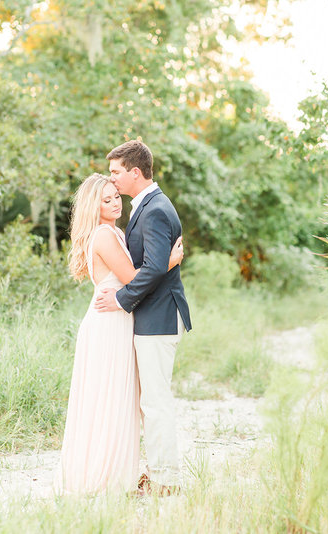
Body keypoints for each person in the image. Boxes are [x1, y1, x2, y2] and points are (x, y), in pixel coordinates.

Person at [56, 173, 183, 495]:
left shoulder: (115, 232)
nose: (115, 204)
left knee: (117, 399)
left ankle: (114, 472)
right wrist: (169, 262)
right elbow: (130, 278)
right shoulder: (104, 236)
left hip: (118, 319)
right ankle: (102, 477)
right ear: (92, 206)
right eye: (106, 199)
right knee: (108, 399)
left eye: (116, 196)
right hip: (108, 324)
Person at [94, 140, 192, 496]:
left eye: (116, 173)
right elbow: (155, 265)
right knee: (149, 399)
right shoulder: (147, 205)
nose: (113, 180)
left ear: (135, 172)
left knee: (155, 400)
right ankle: (157, 471)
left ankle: (166, 479)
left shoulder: (153, 210)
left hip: (159, 316)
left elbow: (151, 269)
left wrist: (121, 299)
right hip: (152, 315)